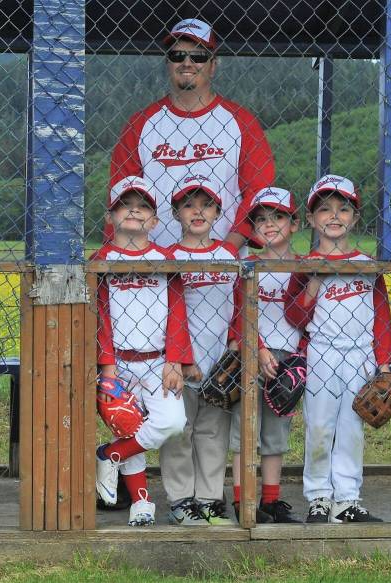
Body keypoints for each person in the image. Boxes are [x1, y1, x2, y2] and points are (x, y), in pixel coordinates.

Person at [284, 175, 391, 523]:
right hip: (322, 353)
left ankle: (346, 500)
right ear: (313, 218)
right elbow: (294, 314)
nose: (334, 215)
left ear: (355, 217)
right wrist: (315, 279)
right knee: (319, 426)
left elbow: (381, 318)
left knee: (352, 426)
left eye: (343, 208)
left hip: (360, 355)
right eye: (325, 209)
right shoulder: (306, 265)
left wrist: (385, 363)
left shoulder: (367, 264)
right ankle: (318, 497)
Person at [109, 18, 274, 249]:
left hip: (224, 262)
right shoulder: (141, 123)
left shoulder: (242, 122)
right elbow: (119, 194)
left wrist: (229, 249)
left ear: (213, 65)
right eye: (177, 56)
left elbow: (258, 192)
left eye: (198, 56)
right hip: (155, 261)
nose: (187, 62)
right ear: (168, 63)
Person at [92, 176, 190, 527]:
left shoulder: (163, 259)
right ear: (111, 215)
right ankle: (141, 503)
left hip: (157, 361)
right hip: (117, 362)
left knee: (173, 422)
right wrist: (106, 368)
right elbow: (99, 317)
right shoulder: (100, 260)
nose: (134, 209)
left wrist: (176, 360)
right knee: (127, 423)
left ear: (154, 220)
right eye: (124, 203)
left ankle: (110, 455)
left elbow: (177, 311)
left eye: (143, 205)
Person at [158, 175, 238, 525]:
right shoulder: (167, 258)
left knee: (212, 432)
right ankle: (181, 497)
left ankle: (209, 497)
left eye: (206, 204)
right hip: (181, 362)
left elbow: (240, 304)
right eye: (189, 204)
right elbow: (163, 310)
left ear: (218, 211)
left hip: (220, 360)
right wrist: (181, 358)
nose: (198, 211)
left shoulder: (228, 255)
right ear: (176, 212)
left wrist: (234, 348)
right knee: (180, 431)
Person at [226, 187, 302, 523]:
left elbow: (312, 317)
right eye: (261, 219)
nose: (269, 224)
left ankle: (271, 499)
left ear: (295, 223)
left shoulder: (305, 267)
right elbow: (238, 313)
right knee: (246, 430)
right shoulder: (247, 266)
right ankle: (244, 501)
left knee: (275, 433)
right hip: (251, 354)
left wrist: (300, 359)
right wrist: (256, 349)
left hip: (289, 358)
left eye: (278, 216)